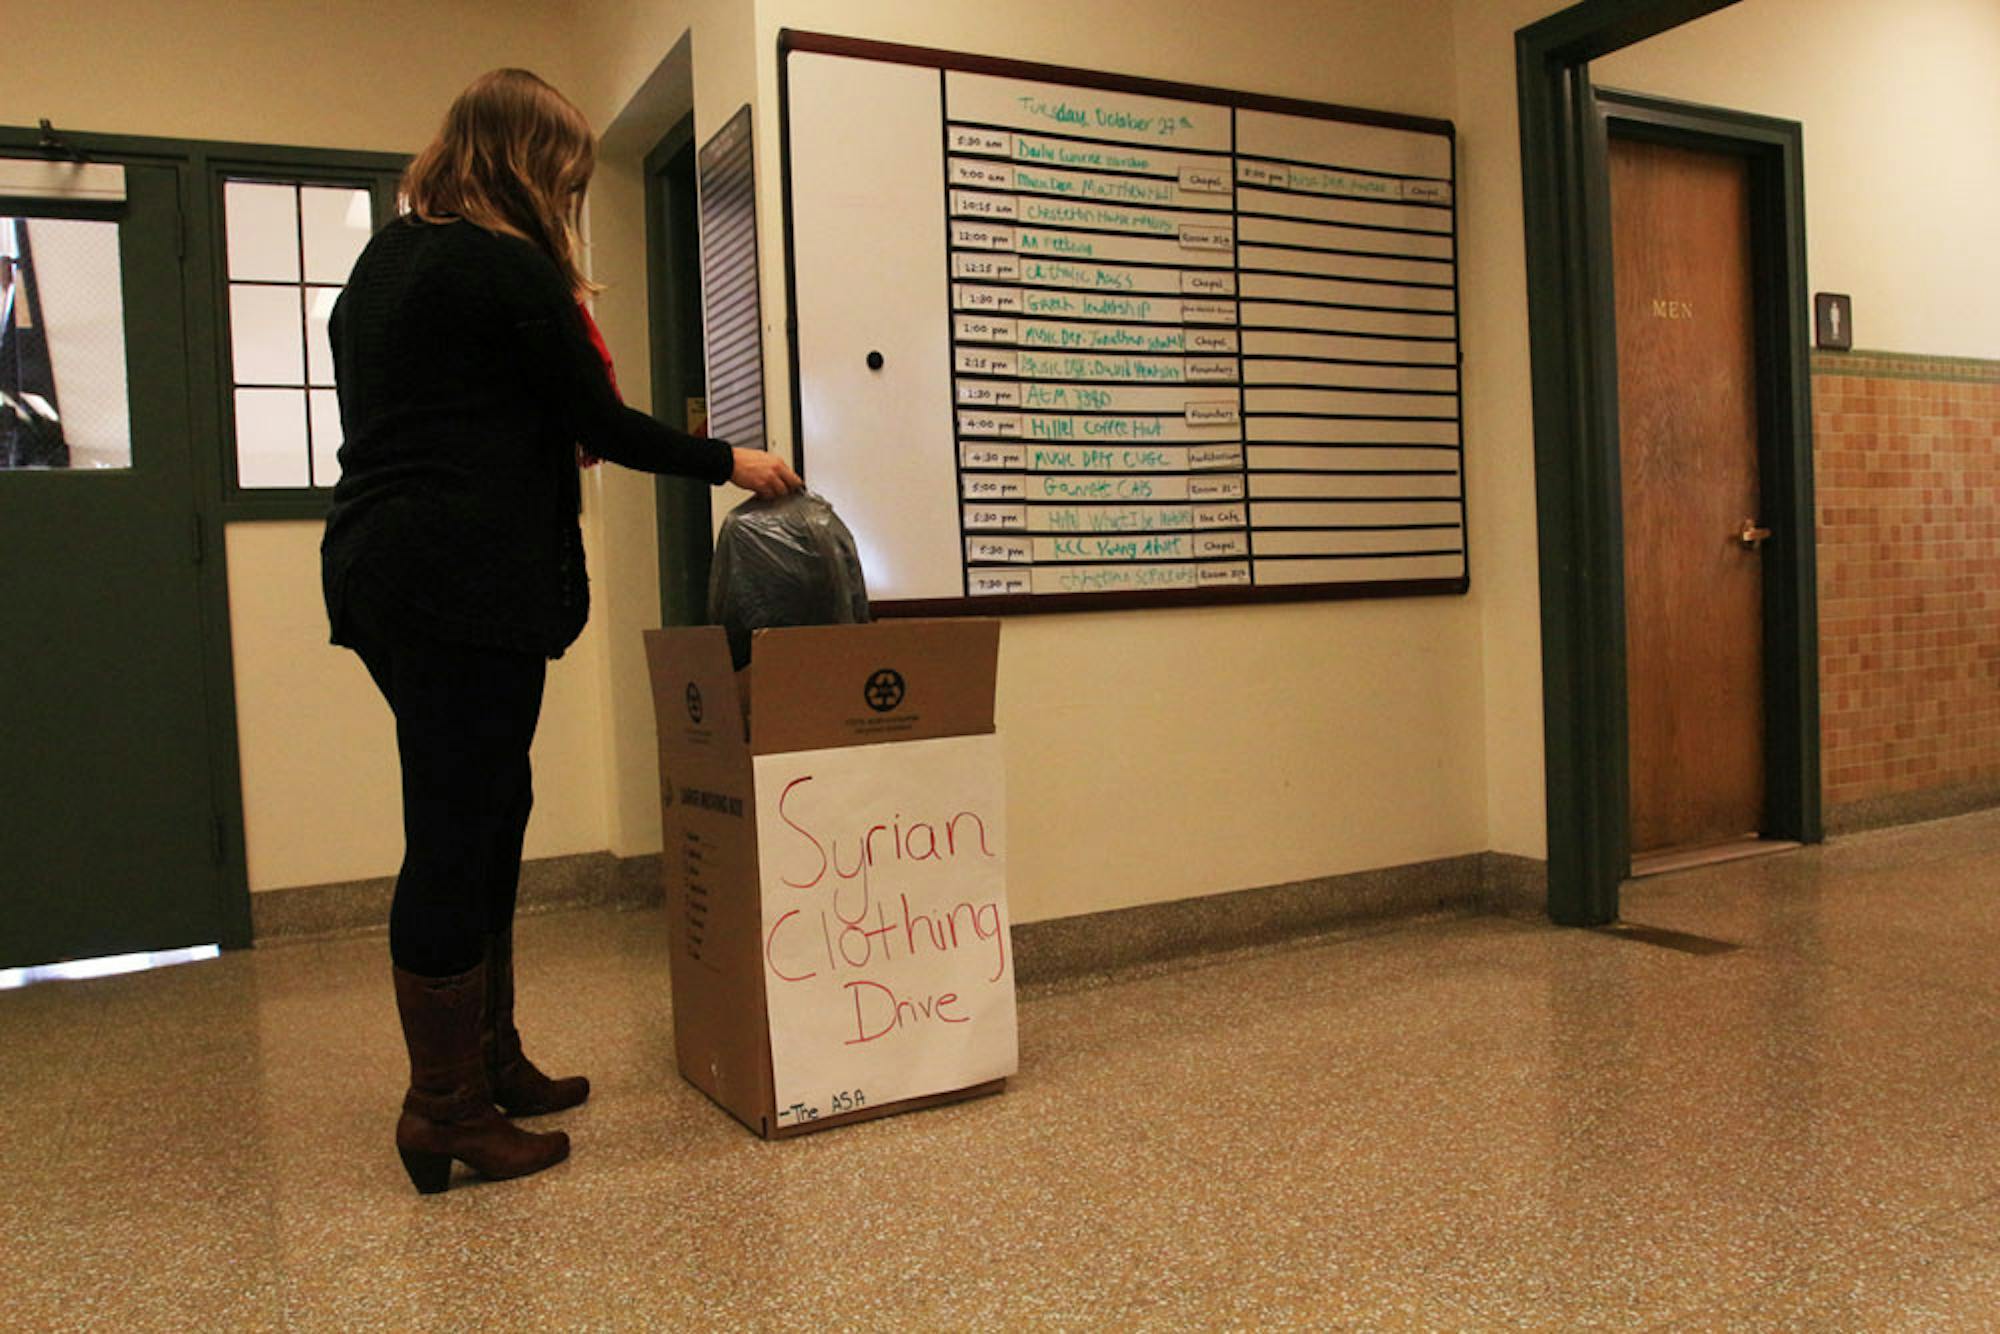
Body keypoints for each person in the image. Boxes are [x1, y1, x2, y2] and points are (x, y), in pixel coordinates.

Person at [321, 68, 800, 1195]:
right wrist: (730, 461)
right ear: (526, 164)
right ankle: (443, 1109)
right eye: (568, 178)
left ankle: (488, 1064)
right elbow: (596, 422)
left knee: (488, 803)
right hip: (462, 575)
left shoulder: (386, 263)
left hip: (382, 566)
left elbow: (439, 416)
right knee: (456, 823)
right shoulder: (501, 264)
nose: (571, 199)